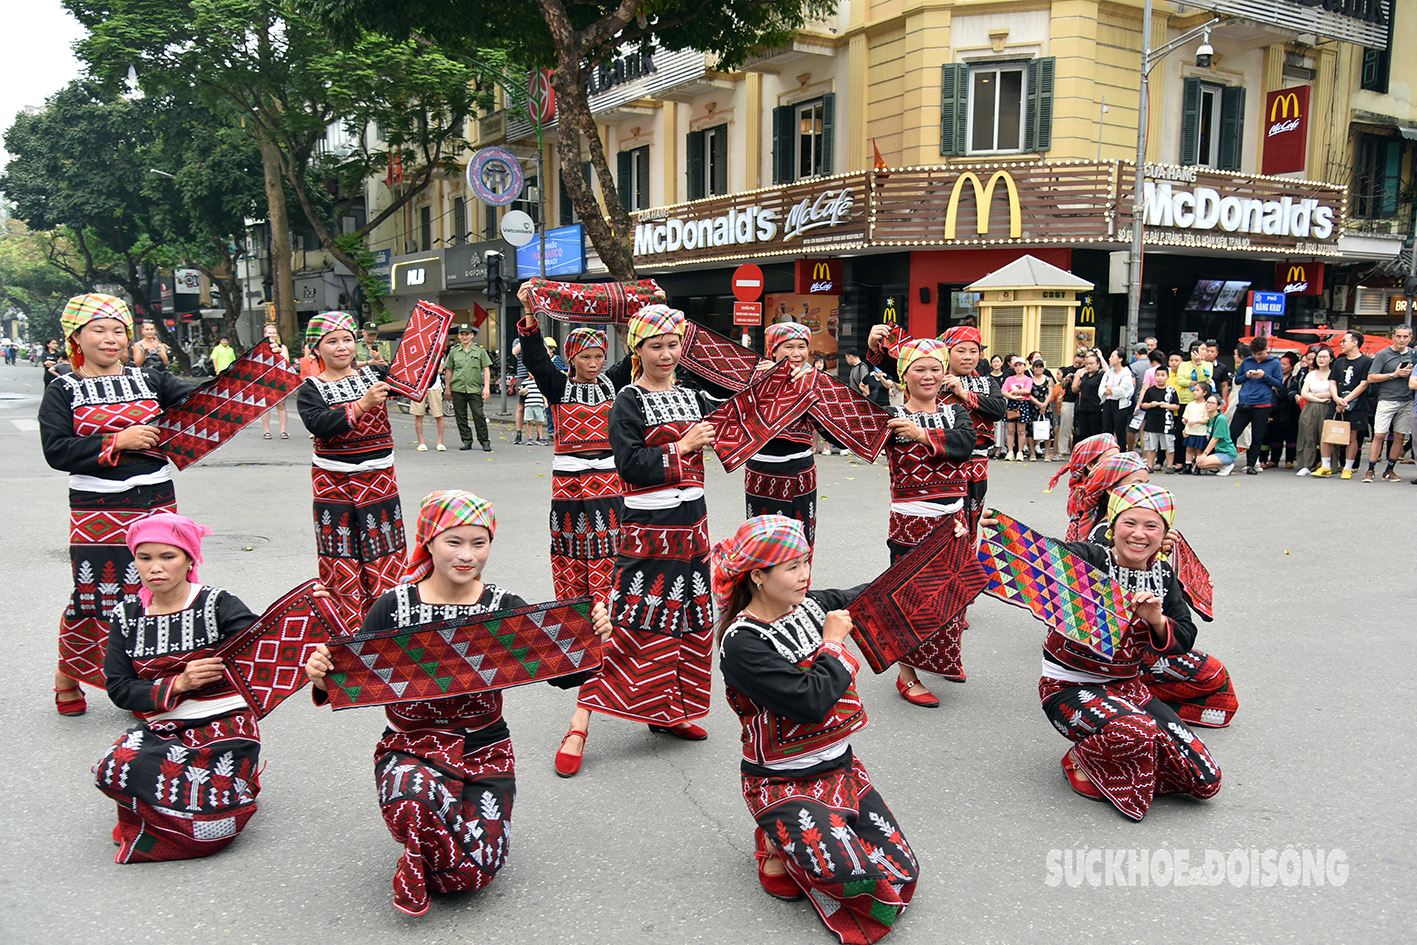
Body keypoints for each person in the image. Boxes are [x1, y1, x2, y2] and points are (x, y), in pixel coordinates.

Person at [304, 490, 613, 916]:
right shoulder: (391, 608)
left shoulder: (505, 608)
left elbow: (567, 675)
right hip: (409, 747)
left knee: (471, 875)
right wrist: (321, 674)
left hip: (484, 749)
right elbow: (350, 674)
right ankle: (418, 834)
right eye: (454, 542)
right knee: (414, 798)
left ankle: (434, 840)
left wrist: (593, 638)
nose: (467, 555)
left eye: (479, 543)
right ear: (428, 542)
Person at [714, 515, 918, 943]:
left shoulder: (810, 605)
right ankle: (776, 837)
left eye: (807, 561)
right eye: (792, 567)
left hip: (841, 772)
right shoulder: (742, 643)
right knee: (860, 882)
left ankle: (791, 839)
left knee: (903, 871)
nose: (805, 575)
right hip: (781, 781)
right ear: (758, 577)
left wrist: (949, 546)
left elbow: (877, 594)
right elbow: (811, 701)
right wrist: (833, 644)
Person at [1014, 483, 1222, 820]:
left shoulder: (1164, 577)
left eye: (1151, 526)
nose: (1139, 534)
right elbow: (1041, 553)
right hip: (1069, 689)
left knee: (1204, 780)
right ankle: (1082, 757)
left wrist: (1157, 620)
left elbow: (1185, 636)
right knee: (1137, 732)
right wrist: (990, 535)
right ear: (1112, 528)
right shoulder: (1090, 559)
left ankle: (1134, 753)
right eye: (1129, 523)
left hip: (1129, 689)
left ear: (1165, 535)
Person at [39, 294, 196, 715]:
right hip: (97, 508)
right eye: (99, 330)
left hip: (158, 501)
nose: (112, 340)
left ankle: (149, 682)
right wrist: (116, 441)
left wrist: (260, 373)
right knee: (96, 596)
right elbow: (56, 451)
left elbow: (206, 403)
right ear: (76, 337)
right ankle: (67, 673)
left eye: (119, 331)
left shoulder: (151, 380)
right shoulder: (62, 389)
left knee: (161, 588)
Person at [575, 304, 720, 759]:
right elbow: (630, 465)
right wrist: (683, 446)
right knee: (629, 621)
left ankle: (671, 711)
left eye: (673, 344)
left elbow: (739, 425)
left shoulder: (696, 396)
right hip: (648, 528)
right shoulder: (628, 400)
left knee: (691, 621)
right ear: (637, 348)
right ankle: (579, 723)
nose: (666, 353)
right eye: (655, 346)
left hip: (693, 526)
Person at [94, 513, 262, 863]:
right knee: (113, 767)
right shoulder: (126, 615)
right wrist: (178, 683)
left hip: (226, 724)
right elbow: (120, 688)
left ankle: (232, 785)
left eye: (167, 557)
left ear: (189, 560)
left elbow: (260, 651)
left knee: (212, 821)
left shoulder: (217, 603)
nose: (155, 567)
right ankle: (155, 812)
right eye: (145, 558)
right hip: (166, 724)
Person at [868, 331, 977, 706]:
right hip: (911, 519)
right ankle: (907, 675)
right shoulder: (890, 417)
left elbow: (966, 445)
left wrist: (921, 433)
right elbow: (849, 426)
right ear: (904, 376)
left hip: (954, 517)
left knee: (952, 593)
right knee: (910, 597)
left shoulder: (956, 410)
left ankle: (944, 658)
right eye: (919, 369)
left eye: (935, 369)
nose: (928, 376)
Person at [296, 310, 406, 630]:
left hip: (379, 479)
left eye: (347, 339)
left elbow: (412, 381)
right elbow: (319, 424)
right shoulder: (310, 388)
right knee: (340, 557)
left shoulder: (375, 376)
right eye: (332, 341)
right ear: (316, 349)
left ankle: (387, 629)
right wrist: (361, 405)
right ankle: (348, 633)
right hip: (333, 481)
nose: (342, 347)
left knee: (385, 553)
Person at [743, 322, 826, 544]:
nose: (797, 354)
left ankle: (800, 580)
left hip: (802, 470)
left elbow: (830, 428)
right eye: (788, 347)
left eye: (802, 347)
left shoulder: (815, 381)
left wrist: (805, 387)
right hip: (761, 470)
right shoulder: (755, 376)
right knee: (762, 543)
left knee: (801, 541)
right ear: (773, 349)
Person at [1363, 326, 1413, 482]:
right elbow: (1371, 377)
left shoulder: (1413, 354)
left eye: (1405, 337)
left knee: (1399, 436)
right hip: (1387, 398)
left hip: (1407, 399)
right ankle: (1370, 470)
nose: (1402, 340)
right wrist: (1394, 374)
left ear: (1410, 338)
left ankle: (1390, 469)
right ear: (1393, 336)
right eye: (1399, 336)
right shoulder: (1383, 354)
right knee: (1379, 435)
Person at [1229, 335, 1285, 475]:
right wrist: (1247, 375)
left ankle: (1251, 464)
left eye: (1259, 354)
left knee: (1257, 436)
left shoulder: (1274, 363)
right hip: (1245, 402)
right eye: (1254, 354)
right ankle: (1227, 461)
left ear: (1266, 350)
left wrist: (1264, 376)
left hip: (1262, 404)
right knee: (1233, 432)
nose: (1257, 357)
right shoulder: (1247, 361)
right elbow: (1237, 380)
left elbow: (1279, 384)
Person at [1326, 330, 1372, 479]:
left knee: (1353, 435)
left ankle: (1348, 467)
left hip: (1357, 403)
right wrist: (1336, 398)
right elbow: (1332, 381)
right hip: (1337, 401)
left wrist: (1347, 400)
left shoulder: (1366, 362)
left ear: (1355, 342)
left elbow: (1364, 383)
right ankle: (1325, 465)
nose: (1342, 344)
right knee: (1328, 431)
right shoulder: (1339, 362)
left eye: (1344, 341)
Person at [445, 325, 493, 452]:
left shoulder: (479, 350)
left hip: (474, 388)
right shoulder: (454, 351)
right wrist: (447, 388)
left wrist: (486, 387)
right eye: (462, 334)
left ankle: (484, 441)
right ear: (459, 336)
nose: (464, 337)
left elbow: (486, 369)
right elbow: (449, 370)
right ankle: (466, 440)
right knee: (461, 416)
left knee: (478, 415)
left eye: (467, 334)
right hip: (458, 388)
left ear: (472, 335)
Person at [1263, 352, 1301, 469]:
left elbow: (1288, 393)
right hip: (1275, 409)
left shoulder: (1293, 379)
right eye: (1280, 364)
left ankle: (1289, 459)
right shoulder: (1273, 377)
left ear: (1291, 366)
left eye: (1285, 364)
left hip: (1290, 410)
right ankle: (1274, 459)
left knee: (1291, 435)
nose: (1282, 366)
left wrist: (1278, 388)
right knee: (1274, 434)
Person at [1139, 366, 1180, 472]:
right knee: (1151, 446)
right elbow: (1143, 405)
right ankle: (1150, 465)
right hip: (1152, 422)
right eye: (1158, 375)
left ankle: (1170, 466)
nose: (1160, 378)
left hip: (1166, 422)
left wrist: (1166, 405)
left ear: (1167, 376)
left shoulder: (1171, 390)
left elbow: (1176, 406)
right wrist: (1151, 405)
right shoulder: (1150, 390)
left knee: (1169, 445)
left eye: (1162, 375)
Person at [410, 347, 447, 452]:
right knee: (419, 414)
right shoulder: (417, 352)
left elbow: (440, 369)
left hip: (434, 385)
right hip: (419, 386)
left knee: (438, 414)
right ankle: (421, 442)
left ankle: (440, 442)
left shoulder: (437, 352)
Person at [258, 324, 291, 440]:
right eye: (269, 333)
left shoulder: (283, 347)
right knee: (266, 406)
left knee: (281, 405)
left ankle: (283, 431)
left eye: (273, 333)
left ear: (277, 335)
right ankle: (266, 431)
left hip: (280, 379)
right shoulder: (260, 348)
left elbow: (286, 362)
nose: (271, 335)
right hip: (265, 380)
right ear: (264, 335)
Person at [1193, 393, 1237, 475]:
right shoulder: (1209, 419)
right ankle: (1218, 465)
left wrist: (1204, 454)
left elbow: (1215, 438)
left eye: (1212, 403)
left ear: (1218, 406)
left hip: (1226, 452)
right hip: (1217, 452)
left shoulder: (1220, 418)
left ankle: (1227, 465)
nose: (1208, 405)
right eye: (1207, 402)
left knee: (1201, 463)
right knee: (1197, 462)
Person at [1101, 349, 1136, 445]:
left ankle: (1121, 452)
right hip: (1108, 402)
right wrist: (1112, 390)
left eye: (1113, 356)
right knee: (1107, 431)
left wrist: (1111, 390)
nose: (1110, 359)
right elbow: (1102, 388)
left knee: (1120, 430)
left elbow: (1124, 391)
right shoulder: (1109, 372)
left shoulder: (1126, 372)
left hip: (1120, 405)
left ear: (1120, 359)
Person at [1001, 357, 1033, 461]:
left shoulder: (1028, 379)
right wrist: (1012, 396)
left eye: (1020, 365)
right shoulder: (1009, 379)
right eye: (1016, 365)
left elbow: (1027, 390)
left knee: (1021, 430)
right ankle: (1010, 451)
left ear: (1024, 366)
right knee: (1010, 430)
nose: (1018, 368)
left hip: (1022, 404)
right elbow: (1004, 391)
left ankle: (1020, 451)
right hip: (1011, 404)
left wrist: (1013, 392)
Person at [1070, 351, 1105, 440]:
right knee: (1084, 434)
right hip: (1083, 408)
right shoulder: (1085, 375)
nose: (1089, 366)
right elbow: (1076, 389)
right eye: (1087, 364)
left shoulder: (1101, 375)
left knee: (1095, 434)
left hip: (1095, 409)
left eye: (1091, 364)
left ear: (1098, 364)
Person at [1056, 350, 1085, 458]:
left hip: (1080, 401)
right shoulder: (1068, 370)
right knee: (1065, 427)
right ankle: (1062, 451)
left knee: (1078, 428)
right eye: (1076, 362)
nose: (1077, 365)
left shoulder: (1085, 371)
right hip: (1068, 400)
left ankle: (1077, 451)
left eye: (1080, 363)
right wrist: (1066, 379)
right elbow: (1062, 386)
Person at [1027, 357, 1054, 461]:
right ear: (1033, 368)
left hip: (1046, 408)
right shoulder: (1029, 380)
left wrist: (1044, 404)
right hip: (1033, 407)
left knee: (1048, 430)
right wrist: (1038, 404)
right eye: (1036, 367)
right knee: (1031, 431)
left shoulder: (1049, 379)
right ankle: (1032, 453)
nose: (1038, 369)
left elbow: (1051, 393)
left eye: (1040, 367)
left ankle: (1047, 453)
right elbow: (1029, 394)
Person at [1174, 343, 1213, 409]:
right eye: (1202, 349)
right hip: (1185, 399)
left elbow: (1203, 381)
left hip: (1201, 400)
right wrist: (1197, 383)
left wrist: (1198, 364)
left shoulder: (1208, 365)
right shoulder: (1183, 365)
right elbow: (1180, 381)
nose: (1205, 352)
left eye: (1206, 350)